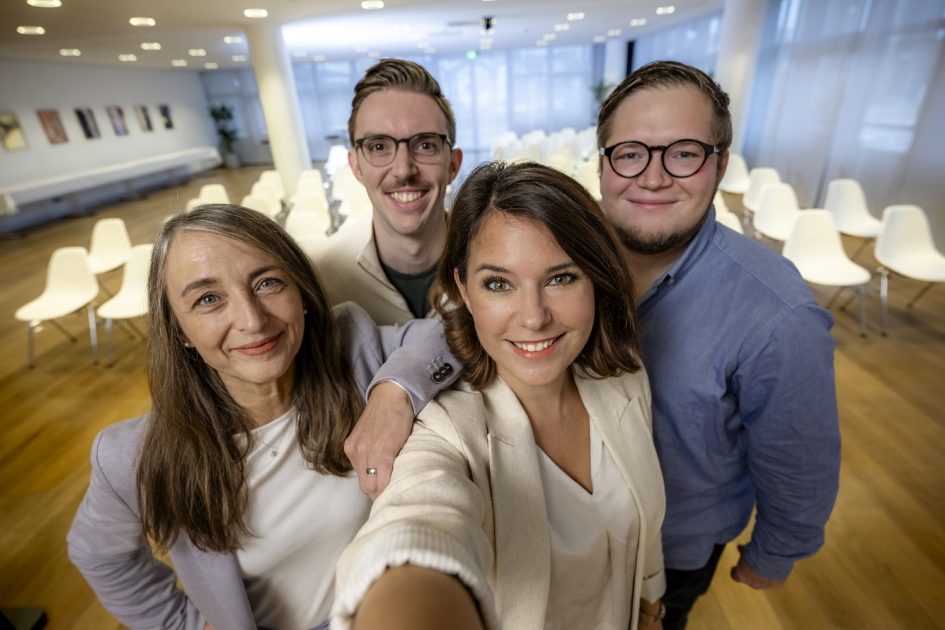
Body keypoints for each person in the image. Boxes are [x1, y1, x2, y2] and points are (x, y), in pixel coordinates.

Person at [67, 204, 458, 630]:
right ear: (179, 331)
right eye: (209, 299)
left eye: (267, 283)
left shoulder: (353, 346)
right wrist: (184, 624)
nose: (252, 320)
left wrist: (393, 393)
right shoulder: (129, 456)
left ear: (301, 292)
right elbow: (100, 557)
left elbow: (454, 332)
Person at [333, 162, 667, 630]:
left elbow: (644, 524)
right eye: (498, 284)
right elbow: (417, 522)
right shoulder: (445, 432)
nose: (533, 317)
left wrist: (651, 605)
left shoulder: (623, 377)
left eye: (561, 278)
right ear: (464, 292)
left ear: (597, 277)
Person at [596, 61, 841, 628]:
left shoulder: (779, 313)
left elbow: (798, 455)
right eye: (630, 153)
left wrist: (775, 552)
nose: (653, 178)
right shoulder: (560, 252)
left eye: (683, 153)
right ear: (604, 162)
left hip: (674, 550)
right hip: (563, 529)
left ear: (720, 165)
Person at [313, 59, 463, 326]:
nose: (403, 170)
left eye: (425, 145)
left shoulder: (497, 263)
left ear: (453, 164)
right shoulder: (319, 277)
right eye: (379, 147)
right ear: (356, 167)